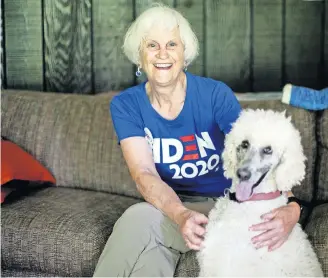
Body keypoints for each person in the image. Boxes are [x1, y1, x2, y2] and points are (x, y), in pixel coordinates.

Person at [93, 4, 301, 277]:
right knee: (150, 258)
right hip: (169, 206)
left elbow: (255, 154)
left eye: (171, 44)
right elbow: (143, 173)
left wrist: (293, 206)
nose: (162, 54)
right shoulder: (126, 105)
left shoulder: (214, 95)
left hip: (225, 205)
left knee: (138, 219)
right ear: (139, 56)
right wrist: (180, 215)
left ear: (185, 53)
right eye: (152, 45)